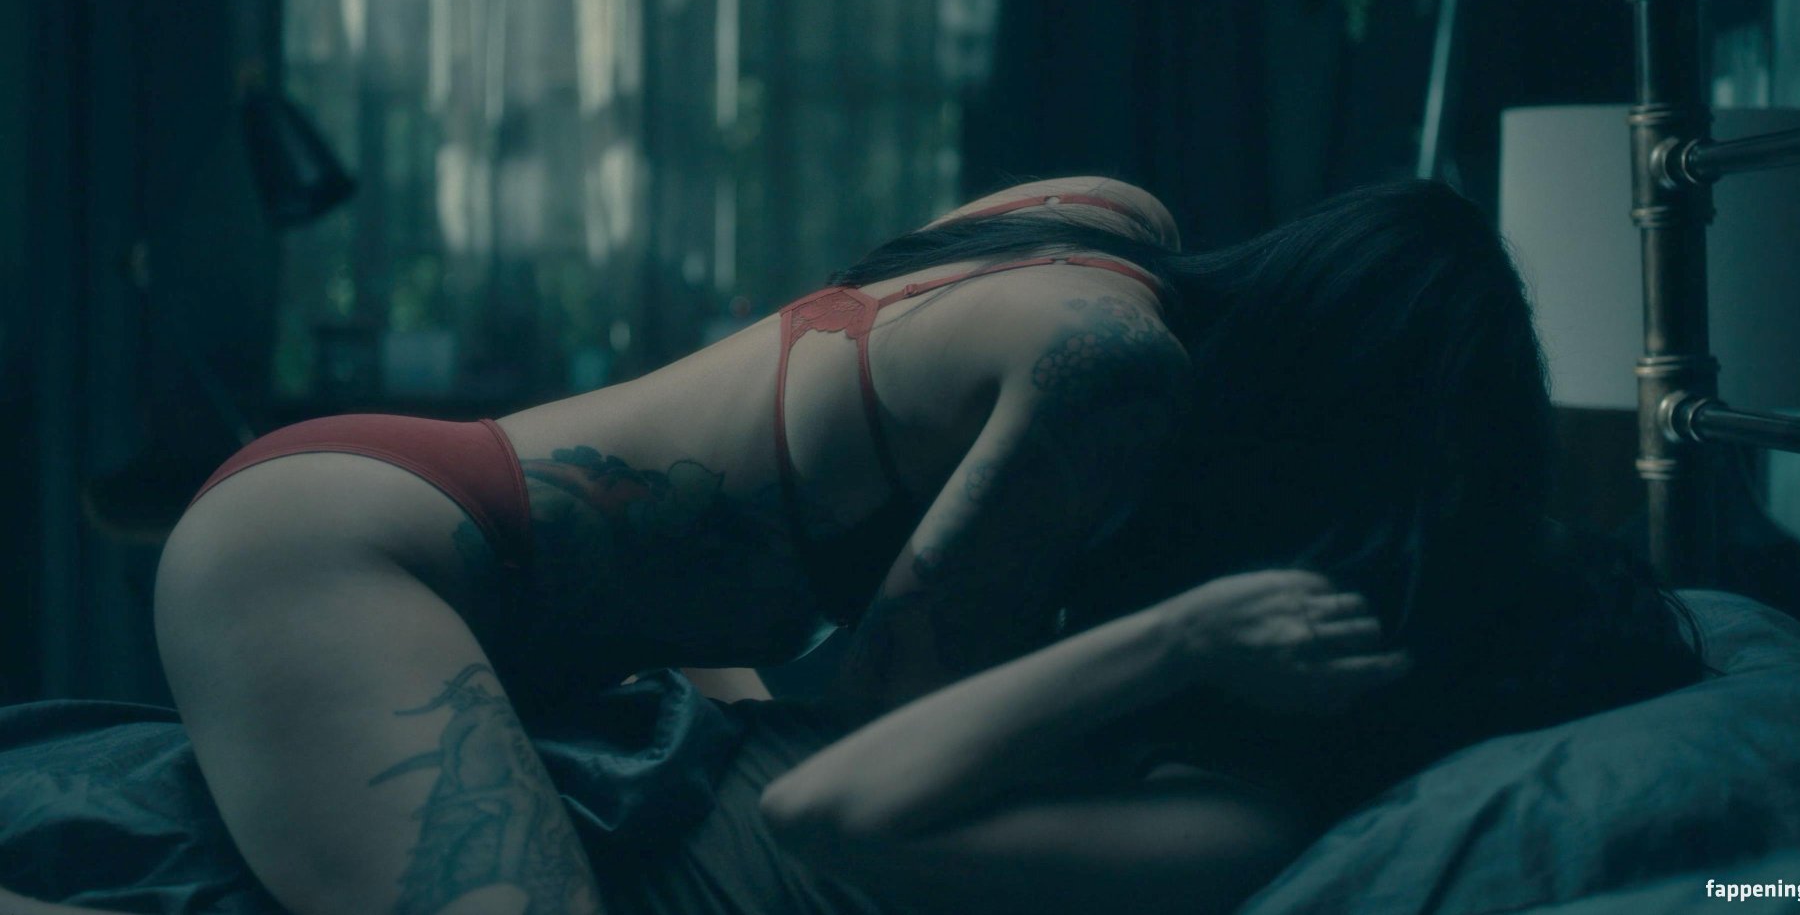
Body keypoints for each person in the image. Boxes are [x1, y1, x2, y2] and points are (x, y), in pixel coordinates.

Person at [125, 175, 1697, 915]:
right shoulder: (1115, 379)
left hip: (423, 518)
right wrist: (1188, 638)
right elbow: (874, 721)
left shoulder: (1108, 226)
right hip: (363, 559)